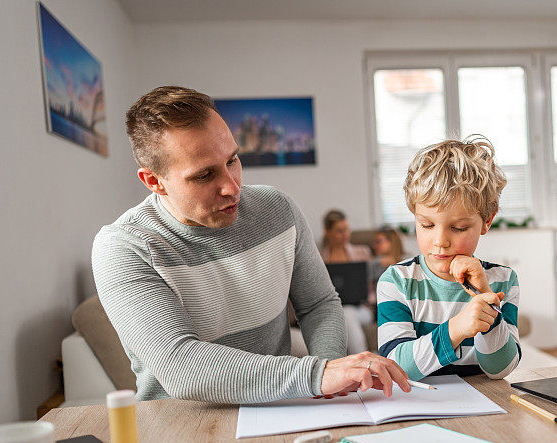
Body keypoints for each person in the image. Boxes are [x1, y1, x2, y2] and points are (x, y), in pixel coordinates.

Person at [92, 86, 410, 404]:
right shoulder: (123, 247)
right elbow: (182, 367)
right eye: (204, 175)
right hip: (185, 425)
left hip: (279, 409)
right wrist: (317, 375)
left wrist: (332, 379)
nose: (232, 188)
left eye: (232, 160)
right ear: (153, 181)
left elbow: (319, 304)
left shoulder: (278, 209)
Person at [376, 137, 521, 380]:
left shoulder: (503, 281)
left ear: (487, 221)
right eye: (427, 224)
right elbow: (396, 367)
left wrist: (487, 300)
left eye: (460, 228)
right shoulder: (396, 281)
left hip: (486, 408)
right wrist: (456, 329)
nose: (440, 241)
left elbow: (500, 370)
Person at [319, 209, 373, 353]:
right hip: (332, 311)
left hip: (361, 309)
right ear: (327, 232)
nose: (346, 235)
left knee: (347, 313)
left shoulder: (362, 252)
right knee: (342, 314)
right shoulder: (318, 258)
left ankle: (362, 358)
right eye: (339, 231)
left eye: (347, 229)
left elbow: (371, 285)